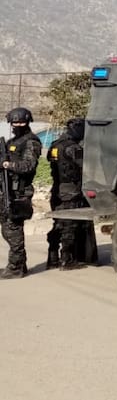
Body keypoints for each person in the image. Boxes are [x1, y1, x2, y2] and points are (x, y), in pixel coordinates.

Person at [46, 117, 97, 270]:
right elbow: (85, 168)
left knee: (57, 223)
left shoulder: (55, 145)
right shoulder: (73, 148)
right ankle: (67, 260)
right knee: (69, 225)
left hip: (57, 189)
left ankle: (52, 257)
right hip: (71, 191)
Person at [0, 107, 42, 279]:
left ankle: (16, 267)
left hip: (19, 192)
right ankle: (18, 264)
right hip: (7, 190)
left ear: (27, 122)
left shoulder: (31, 142)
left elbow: (28, 166)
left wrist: (7, 165)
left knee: (13, 229)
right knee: (7, 229)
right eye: (14, 122)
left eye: (21, 122)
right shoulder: (10, 143)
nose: (17, 125)